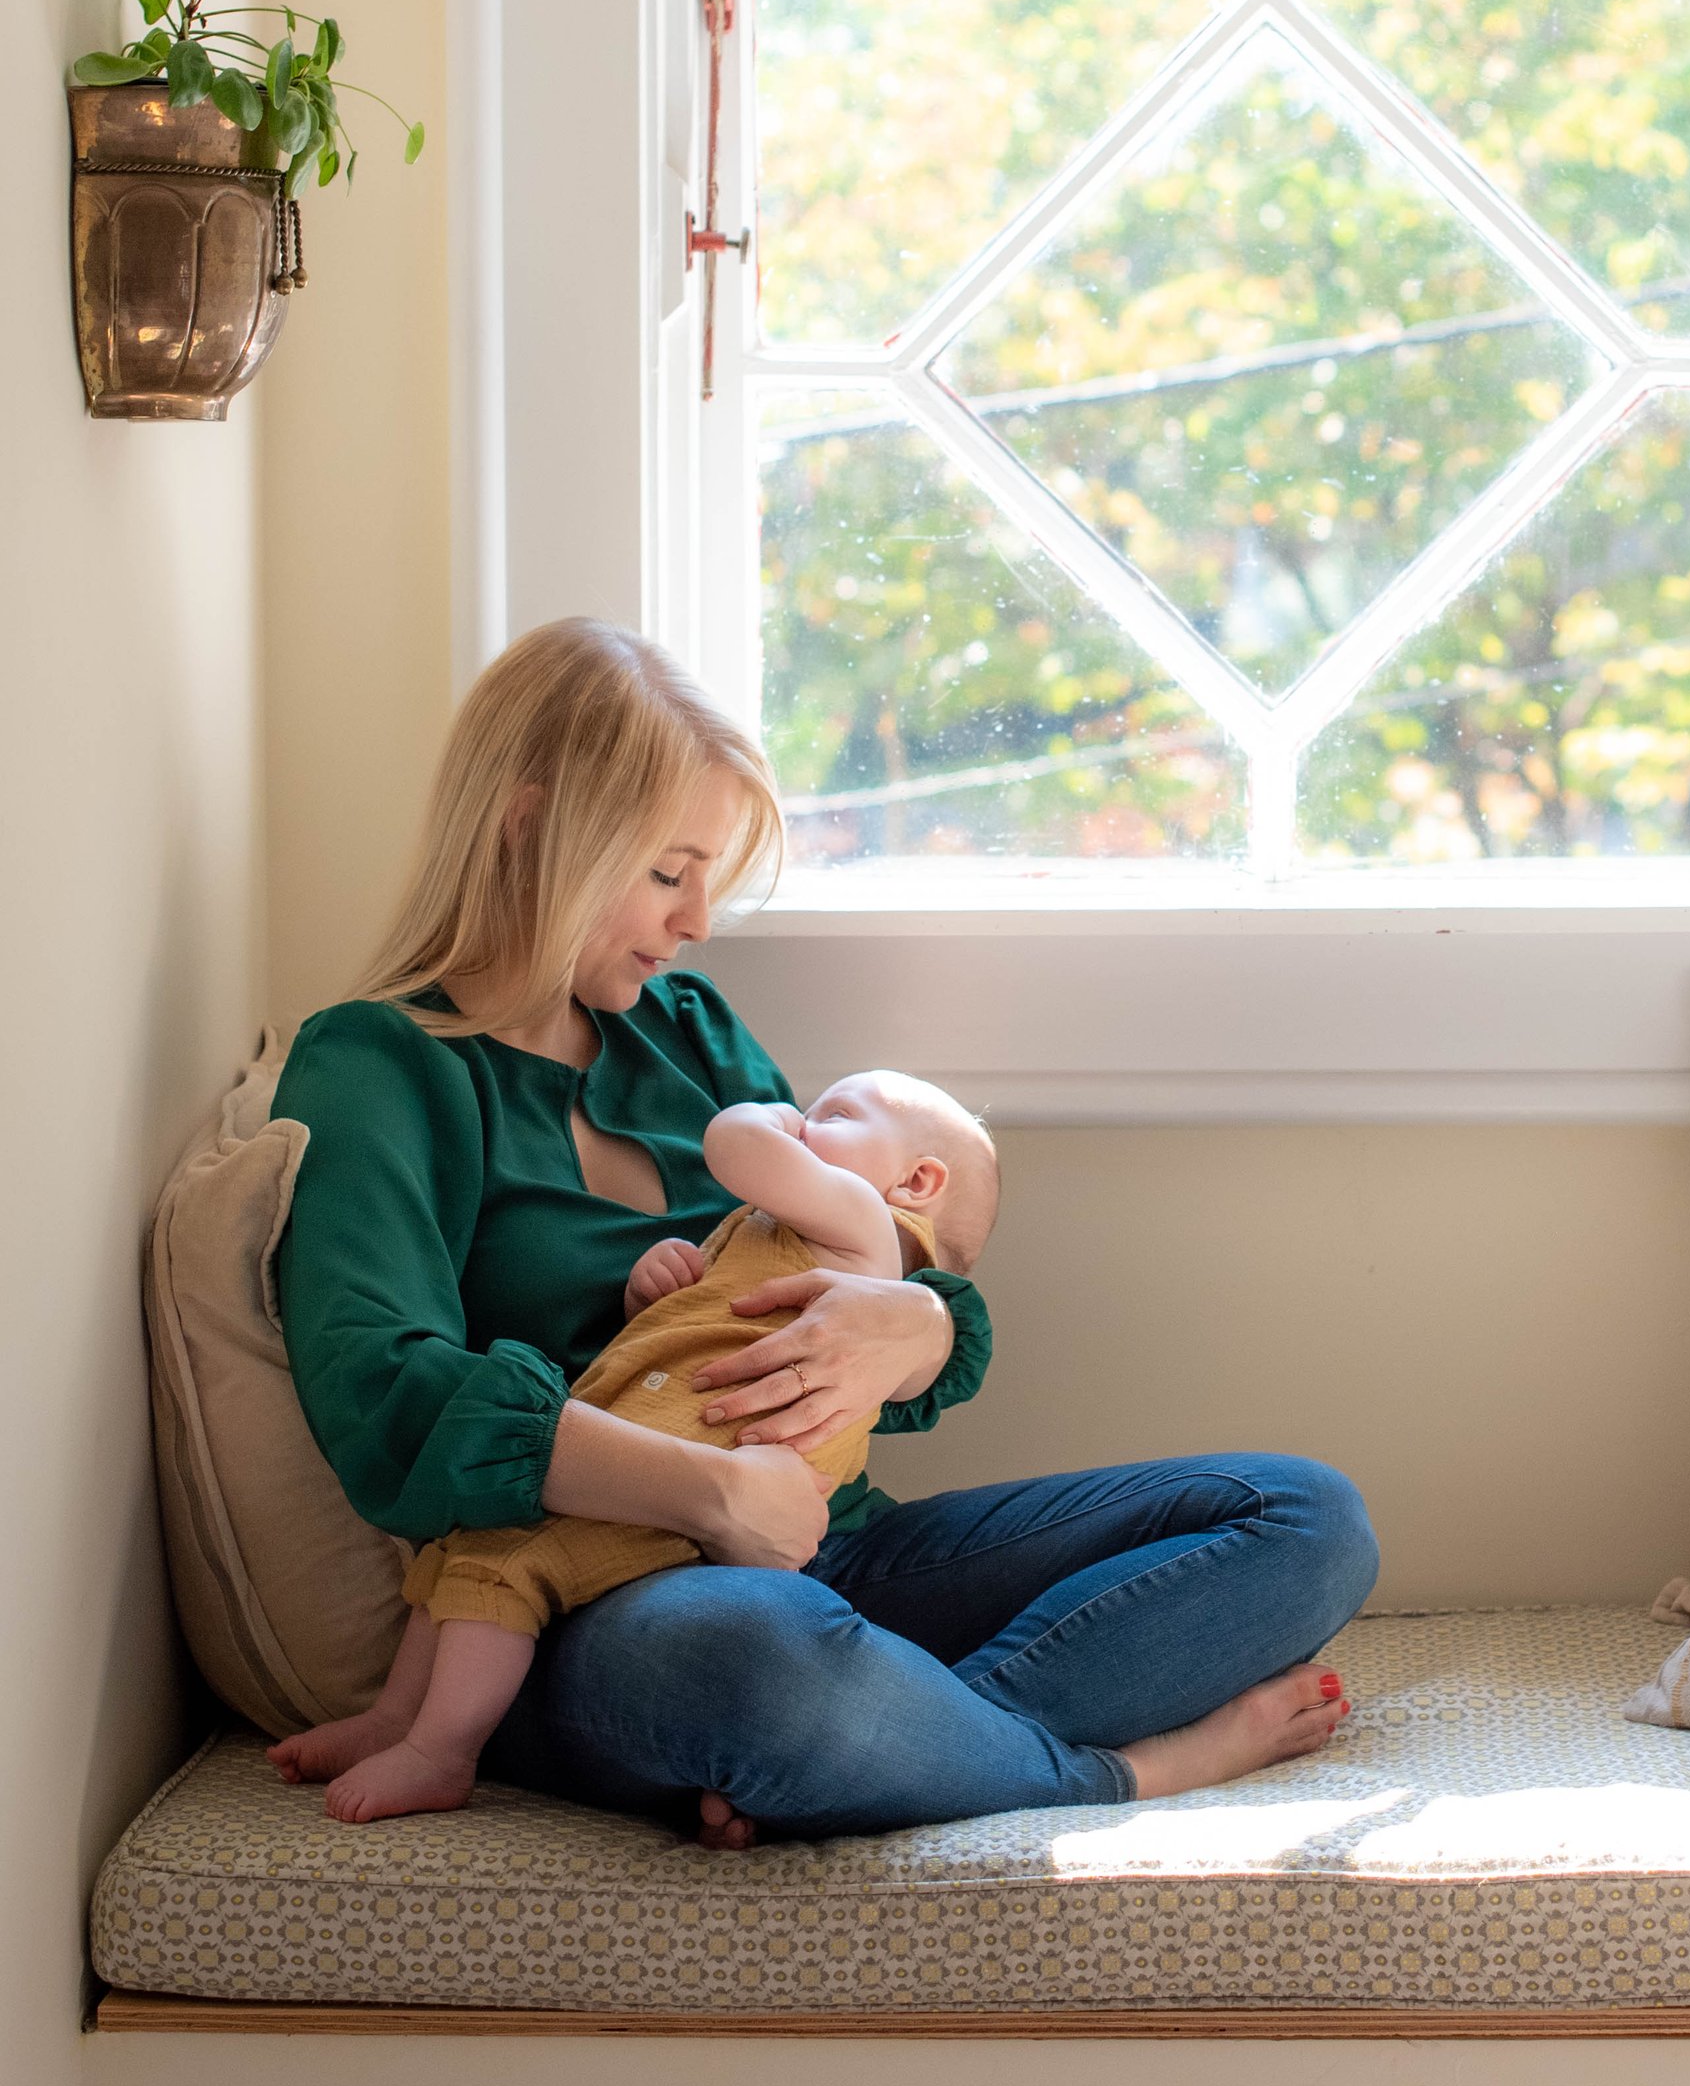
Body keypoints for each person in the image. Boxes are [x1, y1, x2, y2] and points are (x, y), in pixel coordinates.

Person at [271, 618, 1377, 1846]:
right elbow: (380, 1389)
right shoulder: (378, 1065)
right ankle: (1120, 1773)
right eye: (666, 871)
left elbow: (874, 1246)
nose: (694, 920)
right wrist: (708, 1489)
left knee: (1306, 1518)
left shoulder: (684, 1028)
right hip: (571, 1602)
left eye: (707, 879)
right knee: (755, 1658)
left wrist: (910, 1326)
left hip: (830, 1551)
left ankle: (883, 1747)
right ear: (534, 827)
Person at [272, 1068, 1002, 1822]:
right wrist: (660, 1288)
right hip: (674, 1444)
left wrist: (768, 1117)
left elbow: (734, 1146)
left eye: (836, 1112)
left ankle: (441, 1752)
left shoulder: (859, 1218)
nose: (805, 1118)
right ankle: (396, 1719)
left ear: (916, 1182)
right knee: (463, 1542)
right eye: (808, 1111)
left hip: (711, 1474)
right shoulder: (792, 1230)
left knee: (508, 1565)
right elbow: (702, 1327)